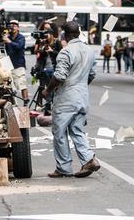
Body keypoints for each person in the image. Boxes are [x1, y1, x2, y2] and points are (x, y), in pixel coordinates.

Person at [46, 20, 99, 179]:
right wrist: (81, 86)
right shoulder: (89, 51)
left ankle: (63, 168)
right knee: (77, 130)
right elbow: (92, 74)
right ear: (79, 33)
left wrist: (47, 90)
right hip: (82, 96)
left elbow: (59, 76)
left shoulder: (66, 51)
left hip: (66, 98)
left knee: (59, 132)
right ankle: (89, 159)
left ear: (65, 35)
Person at [5, 20, 29, 102]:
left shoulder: (21, 37)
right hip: (8, 64)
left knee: (22, 84)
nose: (12, 27)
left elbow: (19, 46)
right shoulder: (7, 37)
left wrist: (9, 42)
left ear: (18, 28)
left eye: (14, 26)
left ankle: (25, 100)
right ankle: (11, 101)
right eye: (11, 26)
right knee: (9, 85)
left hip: (18, 64)